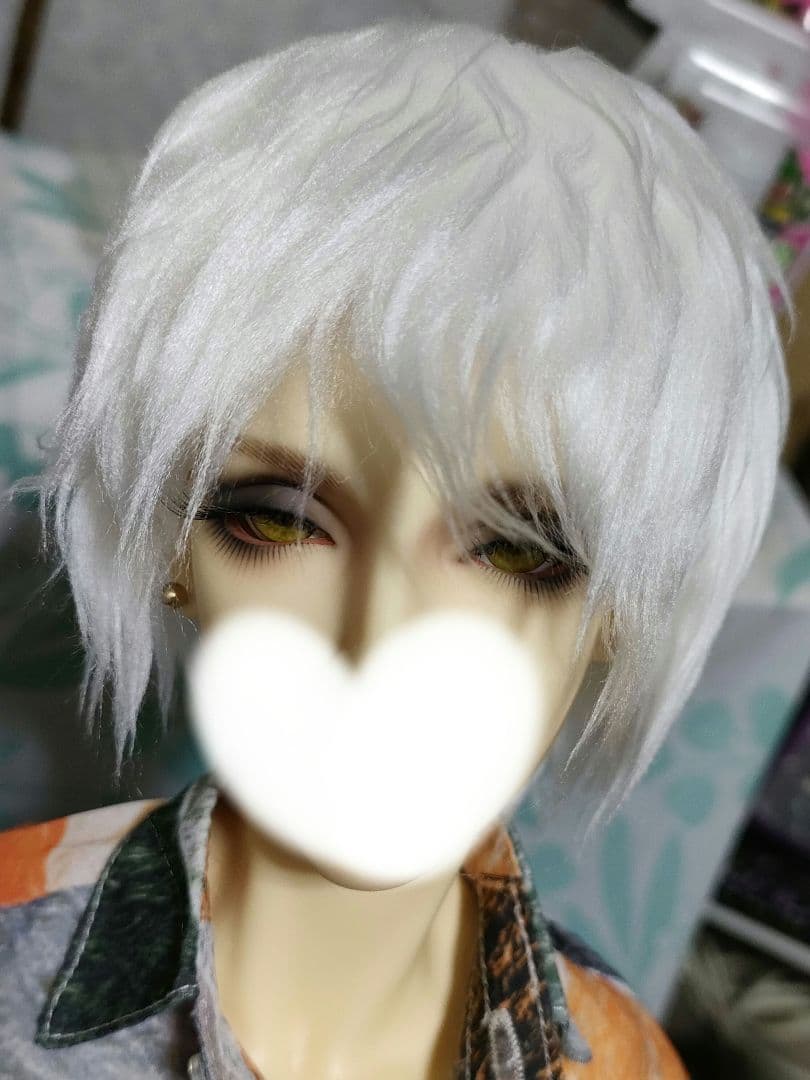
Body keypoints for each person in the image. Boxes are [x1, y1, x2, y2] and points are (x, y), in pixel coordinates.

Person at [0, 20, 786, 1079]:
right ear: (170, 545)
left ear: (617, 608)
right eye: (277, 520)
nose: (380, 644)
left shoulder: (624, 1062)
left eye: (518, 549)